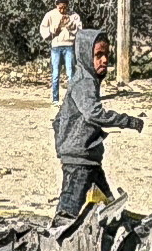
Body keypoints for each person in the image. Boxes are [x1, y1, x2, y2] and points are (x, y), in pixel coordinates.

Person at [51, 26, 142, 224]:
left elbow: (59, 120)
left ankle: (117, 228)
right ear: (85, 55)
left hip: (88, 158)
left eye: (106, 54)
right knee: (68, 211)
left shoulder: (87, 79)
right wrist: (127, 121)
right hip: (80, 161)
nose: (104, 60)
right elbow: (93, 113)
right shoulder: (84, 82)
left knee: (108, 204)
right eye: (98, 55)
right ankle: (57, 243)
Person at [38, 0, 80, 99]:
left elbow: (79, 31)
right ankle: (55, 98)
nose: (62, 10)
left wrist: (69, 24)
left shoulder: (74, 15)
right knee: (55, 74)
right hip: (56, 46)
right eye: (60, 7)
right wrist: (54, 30)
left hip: (69, 46)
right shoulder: (50, 15)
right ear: (56, 5)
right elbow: (43, 29)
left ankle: (71, 98)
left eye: (64, 7)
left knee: (70, 73)